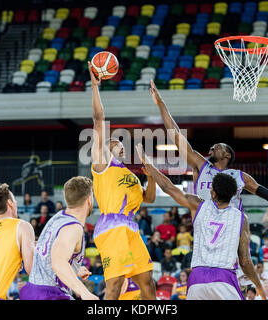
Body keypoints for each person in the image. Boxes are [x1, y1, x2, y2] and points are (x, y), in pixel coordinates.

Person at [148, 79, 268, 222]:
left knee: (244, 239)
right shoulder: (200, 164)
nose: (212, 148)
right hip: (204, 229)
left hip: (230, 230)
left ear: (226, 155)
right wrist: (161, 103)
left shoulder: (239, 176)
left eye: (218, 146)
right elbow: (176, 134)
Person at [136, 143, 266, 300]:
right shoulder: (241, 218)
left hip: (197, 278)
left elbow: (169, 187)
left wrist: (147, 163)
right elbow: (244, 261)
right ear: (233, 195)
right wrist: (259, 286)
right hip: (224, 278)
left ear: (212, 192)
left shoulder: (198, 205)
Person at [89, 63, 157, 300]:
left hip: (130, 227)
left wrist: (151, 177)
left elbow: (148, 198)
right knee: (115, 284)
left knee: (147, 281)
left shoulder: (131, 176)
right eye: (114, 144)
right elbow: (99, 119)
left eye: (120, 144)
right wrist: (95, 87)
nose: (119, 146)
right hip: (111, 226)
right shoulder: (102, 165)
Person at [20, 176, 98, 300]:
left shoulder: (57, 218)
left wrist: (74, 269)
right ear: (89, 199)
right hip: (49, 293)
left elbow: (50, 257)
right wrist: (84, 292)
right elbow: (58, 262)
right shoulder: (73, 227)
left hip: (32, 289)